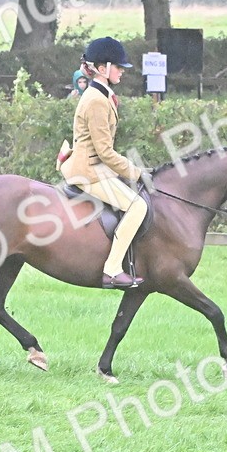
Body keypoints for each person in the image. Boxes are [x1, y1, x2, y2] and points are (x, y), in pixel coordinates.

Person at [59, 36, 148, 289]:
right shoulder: (96, 100)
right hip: (89, 170)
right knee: (137, 206)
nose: (122, 71)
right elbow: (105, 152)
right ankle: (111, 270)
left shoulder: (100, 95)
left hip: (94, 165)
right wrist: (135, 172)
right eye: (118, 67)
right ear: (101, 69)